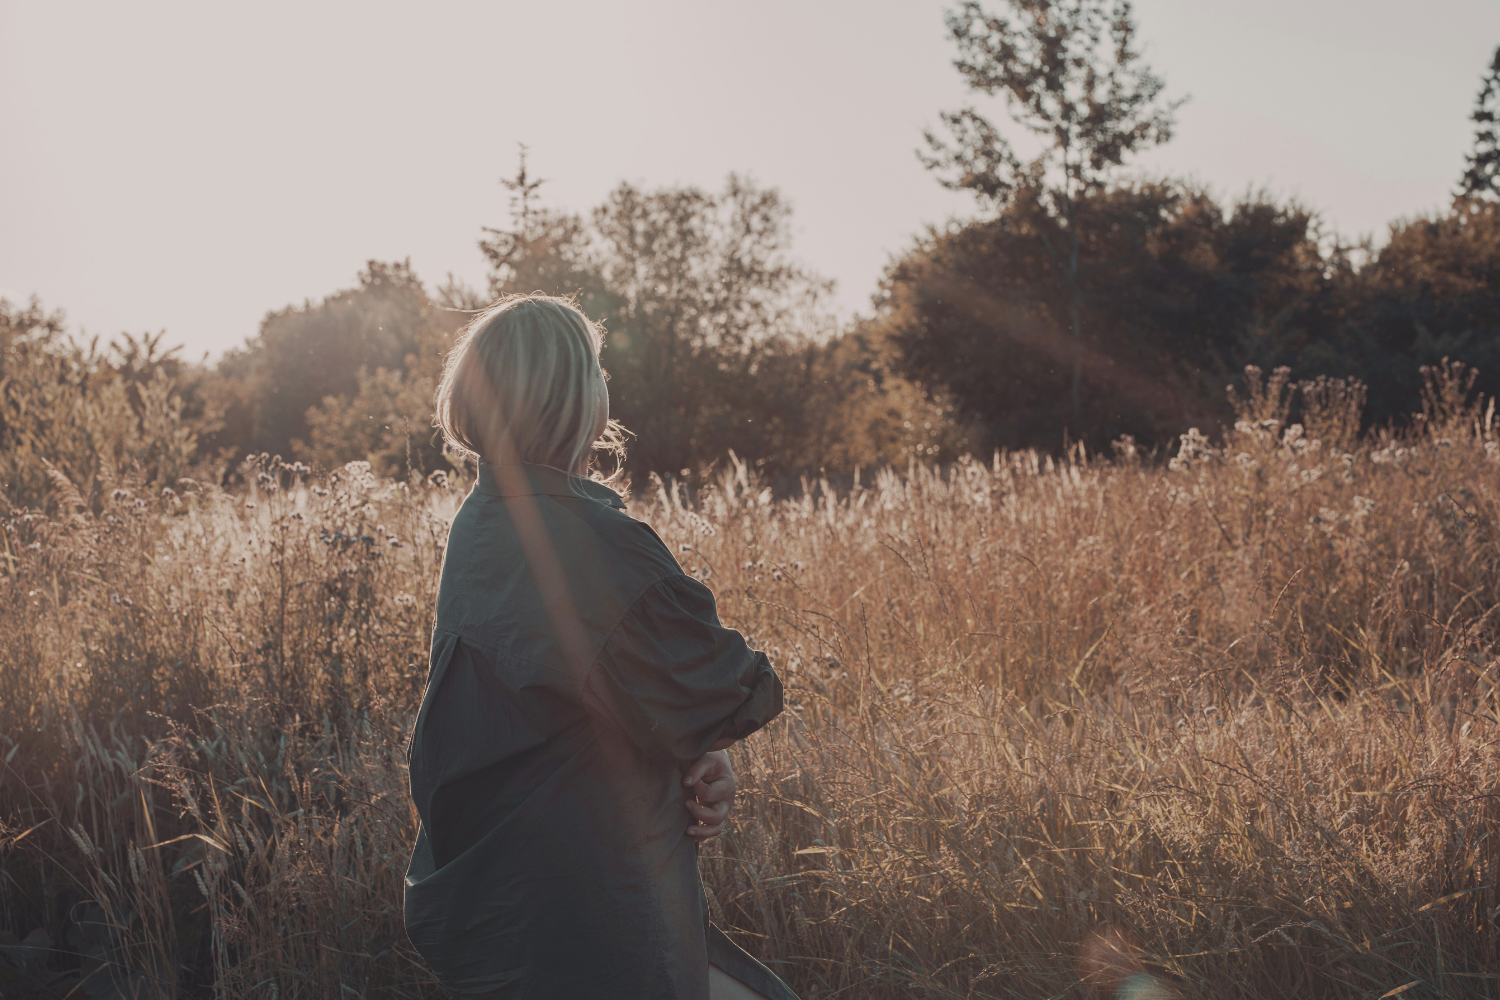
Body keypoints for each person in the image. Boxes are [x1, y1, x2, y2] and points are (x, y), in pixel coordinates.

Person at [404, 295, 796, 1000]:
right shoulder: (598, 544)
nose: (604, 384)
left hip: (492, 899)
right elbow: (728, 685)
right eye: (596, 369)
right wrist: (706, 734)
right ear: (577, 398)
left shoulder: (481, 521)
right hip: (590, 910)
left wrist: (696, 749)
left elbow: (574, 689)